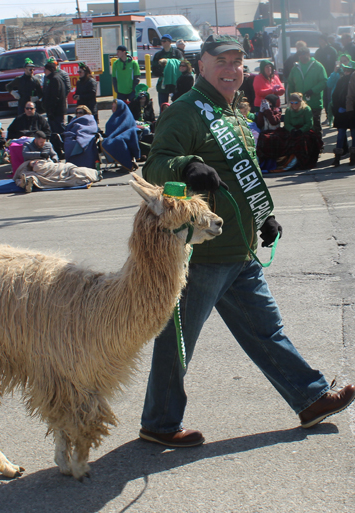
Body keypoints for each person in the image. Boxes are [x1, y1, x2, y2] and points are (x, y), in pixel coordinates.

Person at [138, 34, 355, 448]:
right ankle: (159, 423)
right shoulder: (186, 111)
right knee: (178, 341)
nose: (231, 68)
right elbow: (155, 168)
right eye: (221, 61)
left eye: (237, 62)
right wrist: (186, 166)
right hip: (203, 253)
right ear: (200, 64)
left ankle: (309, 399)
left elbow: (242, 174)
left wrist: (264, 216)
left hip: (239, 248)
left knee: (266, 331)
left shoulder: (231, 110)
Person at [288, 47, 328, 135]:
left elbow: (324, 81)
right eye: (299, 55)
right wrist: (291, 98)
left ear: (308, 54)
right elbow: (290, 83)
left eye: (302, 54)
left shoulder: (318, 66)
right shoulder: (296, 68)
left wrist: (313, 90)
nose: (301, 57)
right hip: (299, 105)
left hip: (314, 103)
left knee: (315, 127)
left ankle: (318, 146)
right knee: (301, 127)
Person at [282, 92, 322, 170]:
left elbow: (309, 123)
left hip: (304, 129)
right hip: (292, 129)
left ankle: (304, 161)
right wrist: (292, 129)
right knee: (282, 139)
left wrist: (301, 130)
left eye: (296, 102)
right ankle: (286, 161)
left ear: (300, 102)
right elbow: (287, 123)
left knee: (304, 140)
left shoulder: (306, 109)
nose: (294, 104)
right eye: (292, 102)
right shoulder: (288, 110)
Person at [101, 99, 140, 171]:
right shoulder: (114, 117)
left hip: (126, 135)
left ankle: (127, 164)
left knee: (119, 141)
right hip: (113, 136)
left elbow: (126, 127)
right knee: (107, 142)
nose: (113, 109)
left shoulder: (127, 115)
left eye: (115, 107)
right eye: (112, 107)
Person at [332, 61, 355, 166]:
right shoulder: (341, 81)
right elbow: (335, 96)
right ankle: (337, 158)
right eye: (345, 70)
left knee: (354, 135)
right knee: (340, 135)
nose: (346, 72)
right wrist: (337, 109)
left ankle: (353, 158)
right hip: (342, 112)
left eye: (349, 70)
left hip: (353, 112)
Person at [42, 61, 66, 160]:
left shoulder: (55, 79)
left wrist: (51, 110)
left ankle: (64, 149)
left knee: (58, 132)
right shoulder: (52, 78)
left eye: (45, 70)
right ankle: (57, 151)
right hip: (54, 111)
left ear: (49, 70)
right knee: (54, 132)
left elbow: (55, 97)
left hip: (56, 111)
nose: (44, 72)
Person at [152, 34, 184, 105]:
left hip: (175, 81)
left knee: (177, 104)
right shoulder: (158, 55)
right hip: (163, 81)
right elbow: (154, 68)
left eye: (164, 41)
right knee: (162, 104)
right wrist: (161, 73)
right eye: (161, 41)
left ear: (169, 42)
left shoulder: (177, 53)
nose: (162, 43)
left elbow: (182, 65)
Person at [315, 34, 339, 125]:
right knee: (324, 98)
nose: (321, 41)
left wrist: (335, 74)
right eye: (319, 40)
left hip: (331, 77)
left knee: (331, 98)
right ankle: (328, 116)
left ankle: (334, 117)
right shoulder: (318, 51)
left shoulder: (332, 50)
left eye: (322, 40)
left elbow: (335, 63)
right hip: (321, 78)